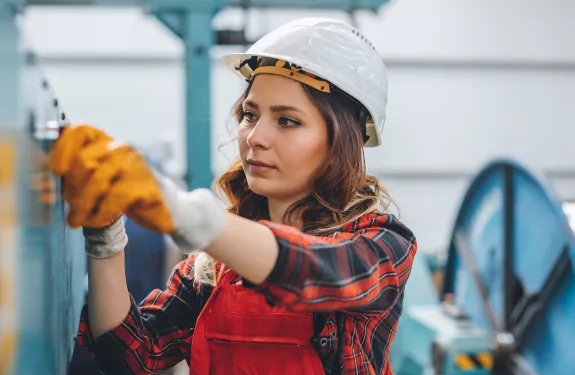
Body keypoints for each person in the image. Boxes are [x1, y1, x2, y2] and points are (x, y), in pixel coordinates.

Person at [50, 17, 417, 375]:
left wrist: (188, 215)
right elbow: (131, 354)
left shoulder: (384, 244)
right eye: (249, 114)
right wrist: (106, 234)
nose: (254, 137)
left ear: (341, 142)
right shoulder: (212, 269)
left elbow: (316, 271)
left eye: (287, 120)